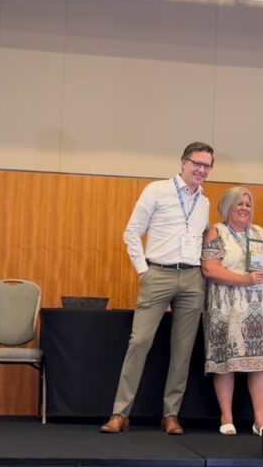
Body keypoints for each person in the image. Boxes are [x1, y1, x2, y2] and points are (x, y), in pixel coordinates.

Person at [100, 141, 214, 435]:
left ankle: (171, 415)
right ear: (183, 163)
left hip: (192, 278)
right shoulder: (156, 190)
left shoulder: (204, 202)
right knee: (139, 343)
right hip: (158, 273)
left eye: (206, 166)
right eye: (196, 163)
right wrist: (144, 271)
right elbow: (132, 232)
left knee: (183, 350)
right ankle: (120, 413)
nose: (201, 170)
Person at [201, 187, 263, 436]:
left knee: (259, 363)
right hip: (225, 307)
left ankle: (260, 421)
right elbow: (210, 270)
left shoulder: (259, 232)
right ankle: (226, 417)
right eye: (238, 204)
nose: (244, 208)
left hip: (257, 308)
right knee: (226, 363)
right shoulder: (215, 232)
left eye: (247, 204)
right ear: (227, 207)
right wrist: (246, 280)